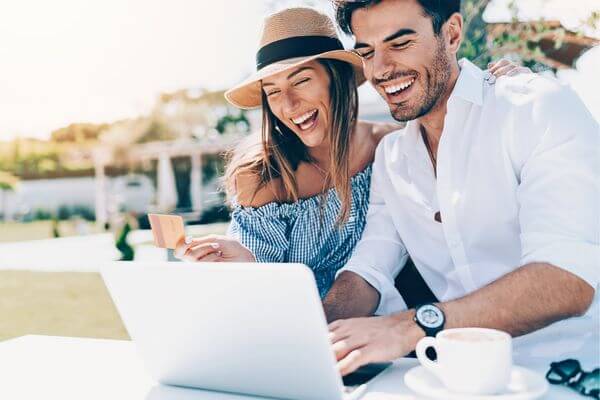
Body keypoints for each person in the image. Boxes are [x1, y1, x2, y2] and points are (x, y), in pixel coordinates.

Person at [323, 0, 599, 376]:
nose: (381, 69)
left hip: (578, 373)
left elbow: (568, 277)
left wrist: (411, 326)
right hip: (460, 375)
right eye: (368, 52)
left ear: (451, 34)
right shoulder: (391, 158)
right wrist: (313, 331)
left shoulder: (535, 107)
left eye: (400, 43)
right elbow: (370, 267)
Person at [175, 7, 525, 298]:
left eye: (301, 81)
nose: (289, 104)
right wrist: (243, 261)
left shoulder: (394, 150)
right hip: (296, 332)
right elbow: (264, 283)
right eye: (273, 91)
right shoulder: (262, 173)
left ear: (337, 77)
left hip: (385, 334)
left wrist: (500, 84)